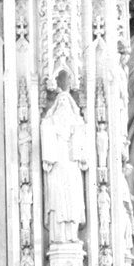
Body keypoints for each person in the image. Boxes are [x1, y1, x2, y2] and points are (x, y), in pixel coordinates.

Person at [41, 72, 88, 243]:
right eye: (59, 102)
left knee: (73, 201)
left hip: (71, 166)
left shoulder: (76, 124)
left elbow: (82, 149)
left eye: (65, 102)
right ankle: (58, 235)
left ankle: (72, 235)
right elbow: (45, 129)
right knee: (57, 200)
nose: (62, 106)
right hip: (57, 165)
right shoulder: (50, 124)